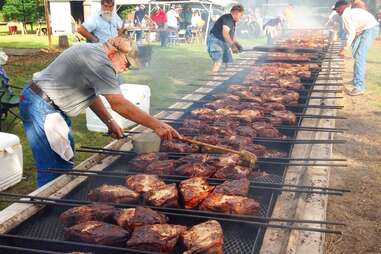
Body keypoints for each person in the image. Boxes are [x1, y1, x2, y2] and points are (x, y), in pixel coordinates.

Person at [19, 35, 180, 187]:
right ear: (114, 52)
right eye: (127, 63)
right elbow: (119, 104)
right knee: (53, 167)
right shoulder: (100, 62)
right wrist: (156, 125)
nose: (126, 69)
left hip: (50, 105)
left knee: (63, 158)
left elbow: (91, 94)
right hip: (42, 106)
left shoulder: (97, 53)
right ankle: (47, 209)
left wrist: (109, 122)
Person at [334, 0, 379, 96]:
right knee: (356, 54)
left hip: (370, 29)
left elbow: (351, 33)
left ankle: (359, 87)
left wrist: (344, 49)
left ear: (341, 8)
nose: (336, 12)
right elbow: (350, 33)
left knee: (359, 57)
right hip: (363, 30)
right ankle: (356, 80)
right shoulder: (348, 12)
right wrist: (344, 47)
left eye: (336, 10)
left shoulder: (346, 14)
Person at [207, 5, 244, 73]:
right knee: (218, 62)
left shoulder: (232, 22)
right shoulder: (228, 19)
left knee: (229, 62)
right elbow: (225, 34)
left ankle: (227, 80)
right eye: (240, 15)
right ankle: (212, 80)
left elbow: (231, 36)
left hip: (223, 42)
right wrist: (233, 46)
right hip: (216, 41)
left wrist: (238, 45)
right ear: (236, 13)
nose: (241, 17)